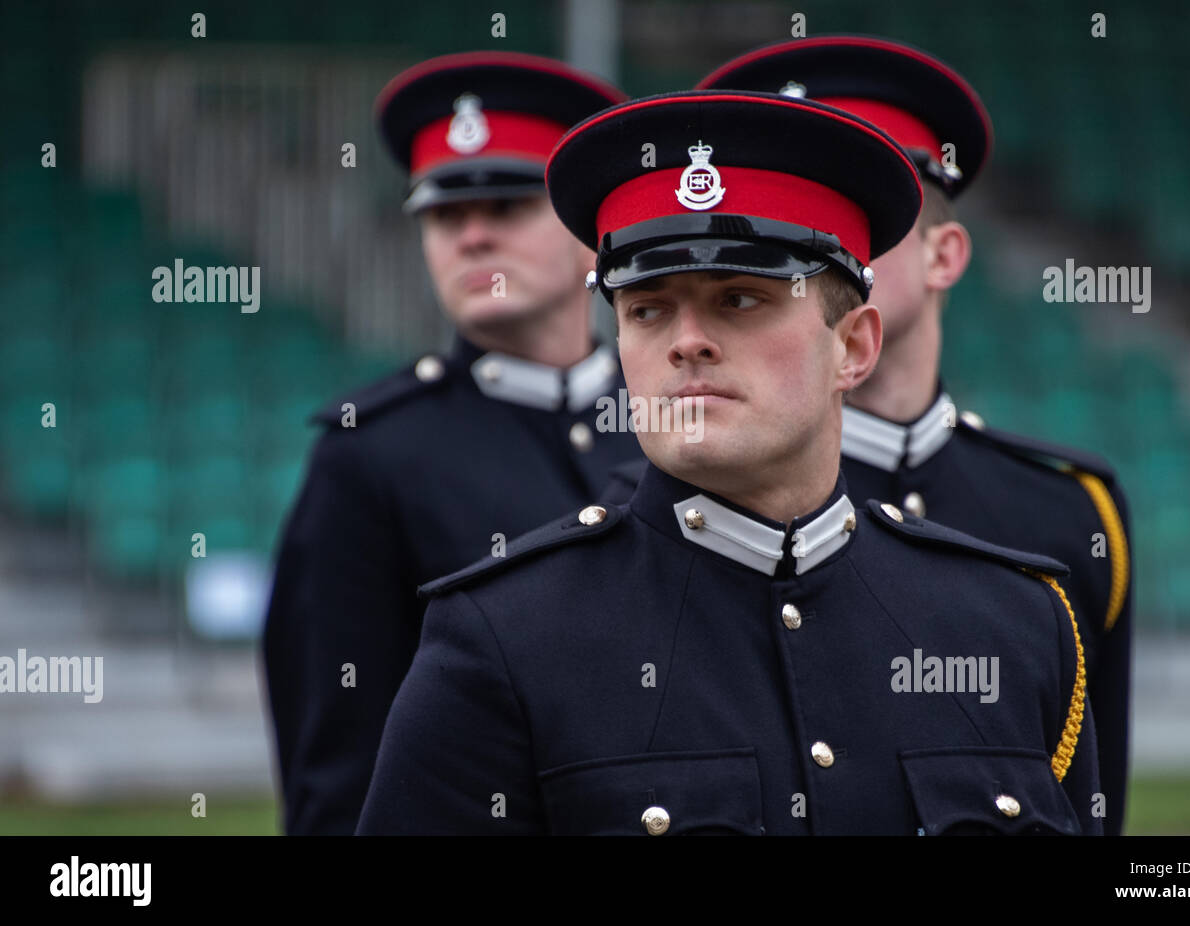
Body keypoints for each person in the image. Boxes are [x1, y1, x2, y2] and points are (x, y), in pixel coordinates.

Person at [357, 89, 1101, 835]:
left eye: (740, 300)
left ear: (853, 346)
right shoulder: (503, 639)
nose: (687, 341)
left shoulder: (1013, 624)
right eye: (647, 309)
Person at [696, 36, 1133, 834]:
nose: (819, 240)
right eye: (783, 219)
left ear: (946, 254)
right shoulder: (669, 503)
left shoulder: (1071, 513)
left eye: (863, 207)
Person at [261, 52, 643, 835]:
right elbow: (337, 773)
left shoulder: (682, 423)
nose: (471, 236)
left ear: (589, 235)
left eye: (506, 205)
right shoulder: (368, 452)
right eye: (444, 214)